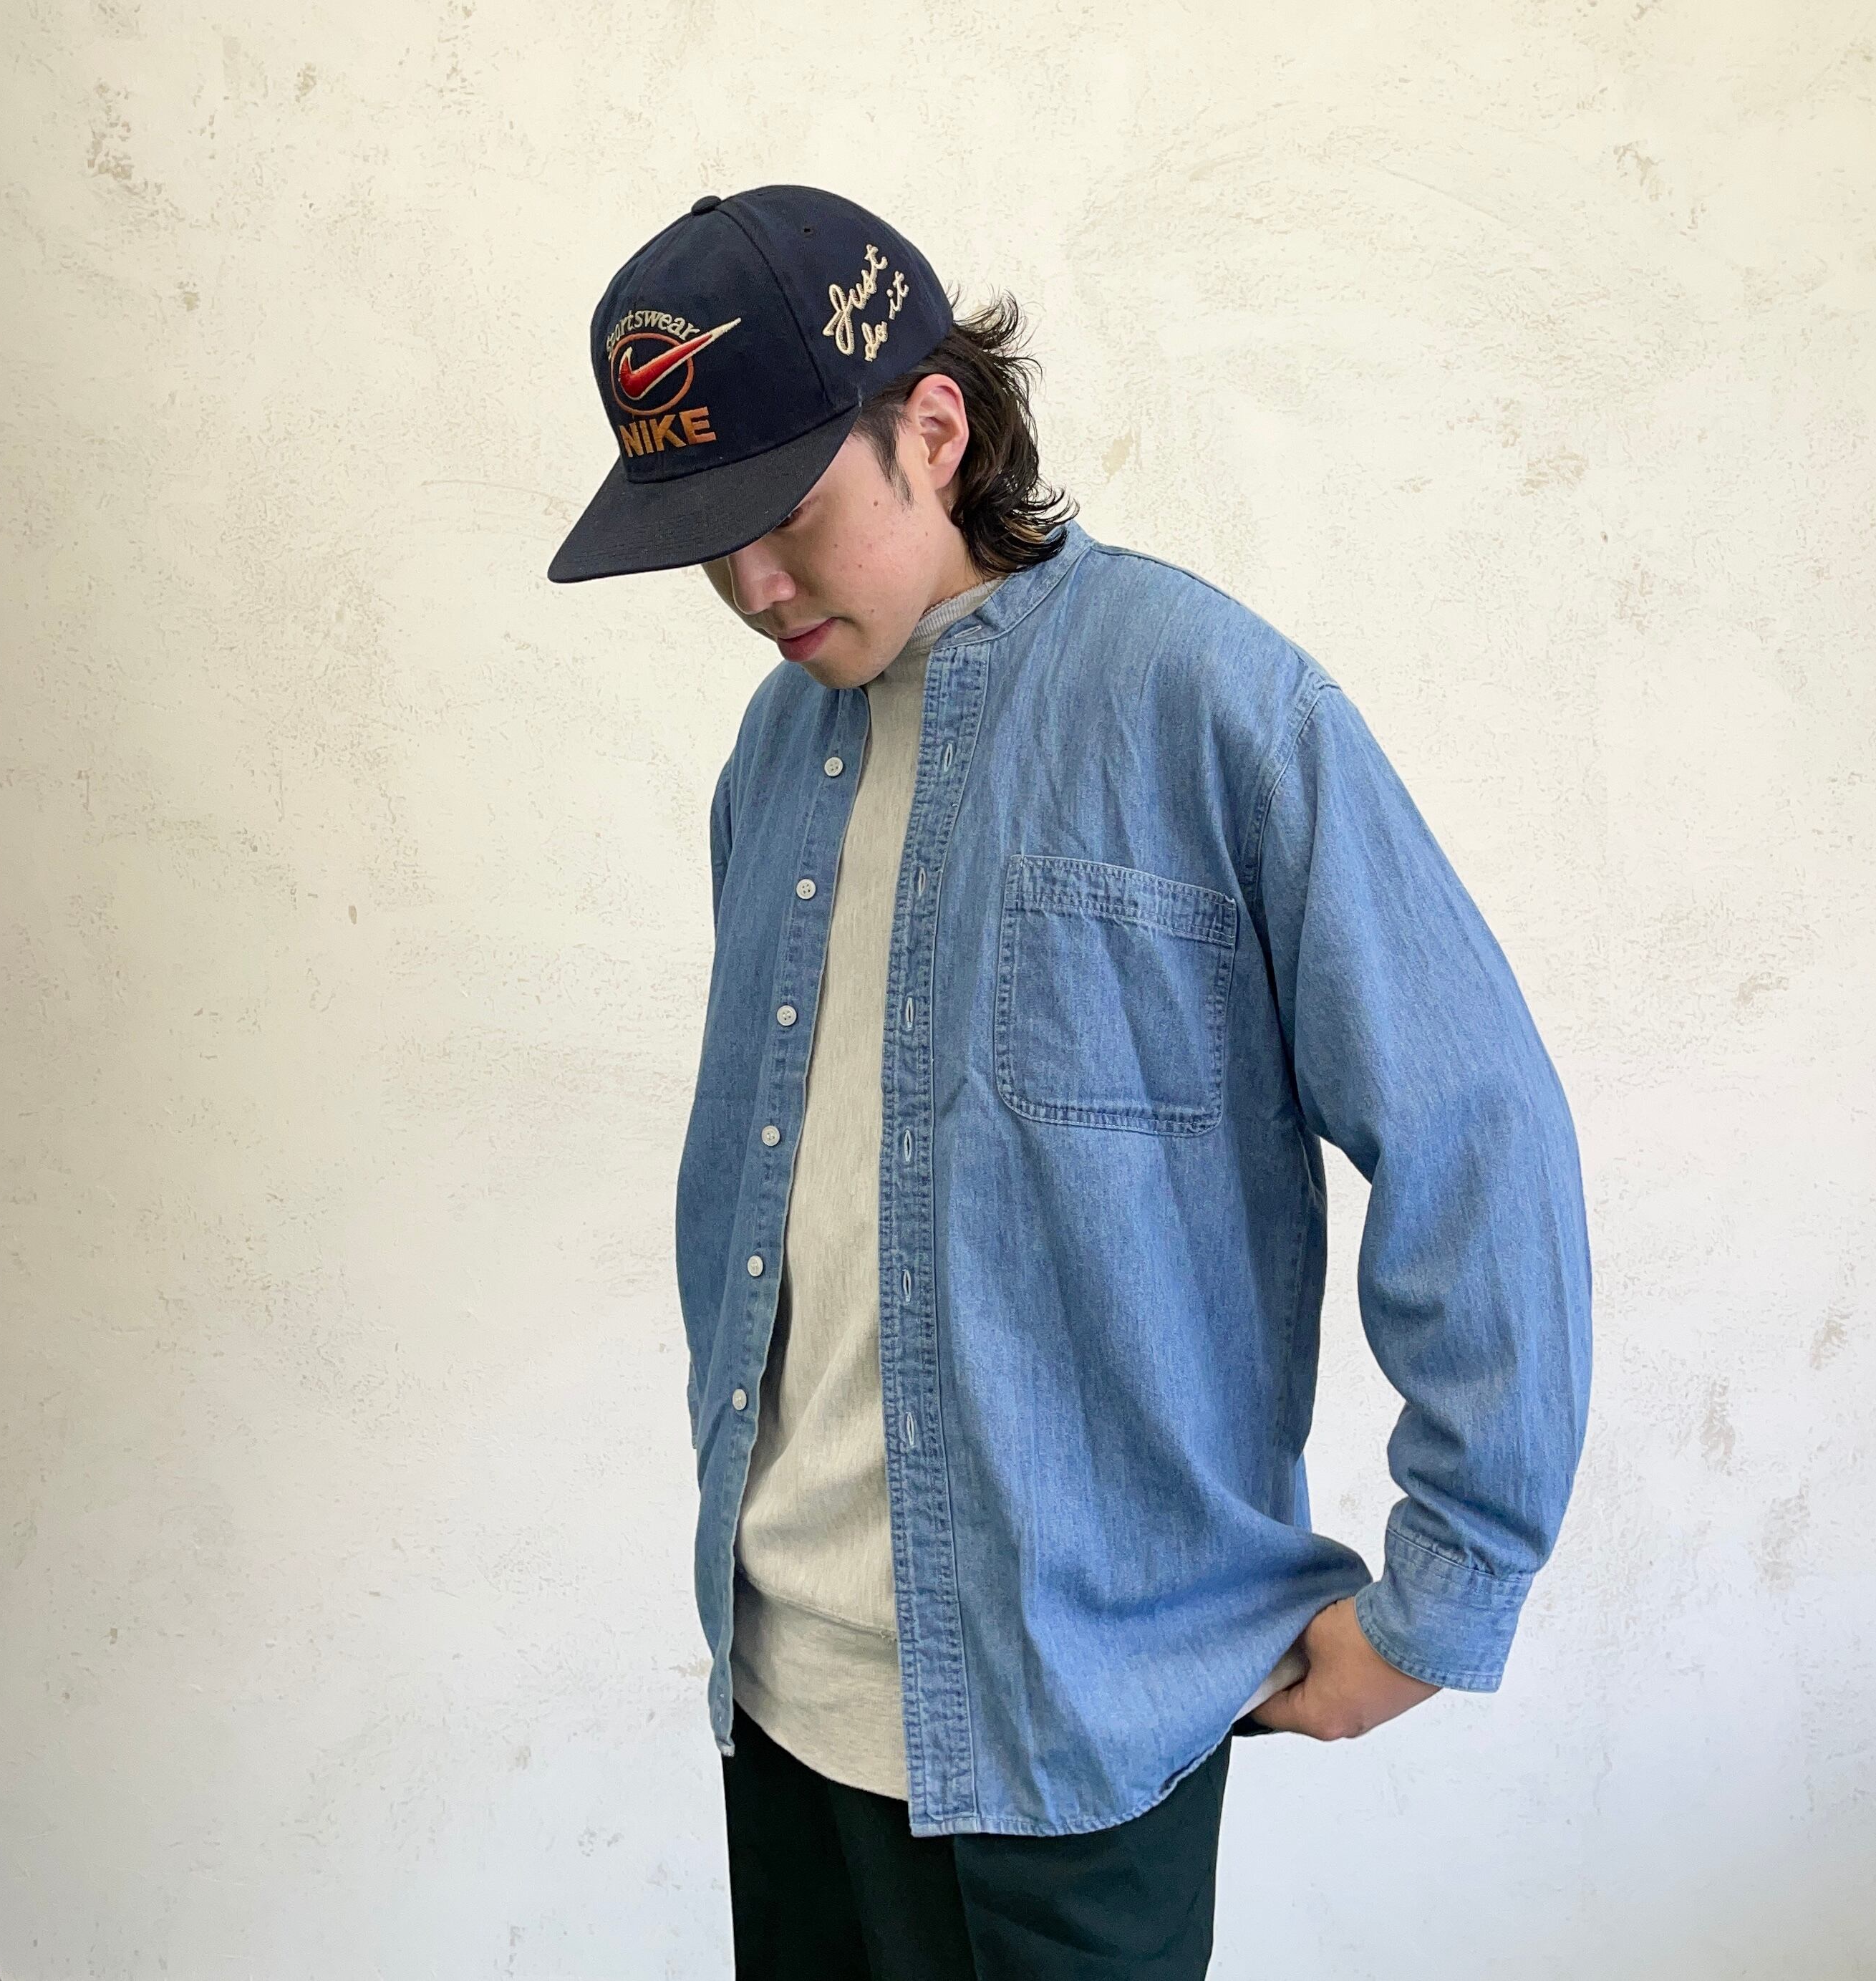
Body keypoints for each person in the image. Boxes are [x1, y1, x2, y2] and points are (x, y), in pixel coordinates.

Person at [548, 183, 1593, 1980]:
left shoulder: (1208, 703)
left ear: (934, 431)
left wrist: (1446, 1594)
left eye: (784, 515)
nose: (752, 587)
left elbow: (1476, 1123)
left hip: (1085, 1728)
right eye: (709, 541)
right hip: (783, 1700)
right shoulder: (773, 755)